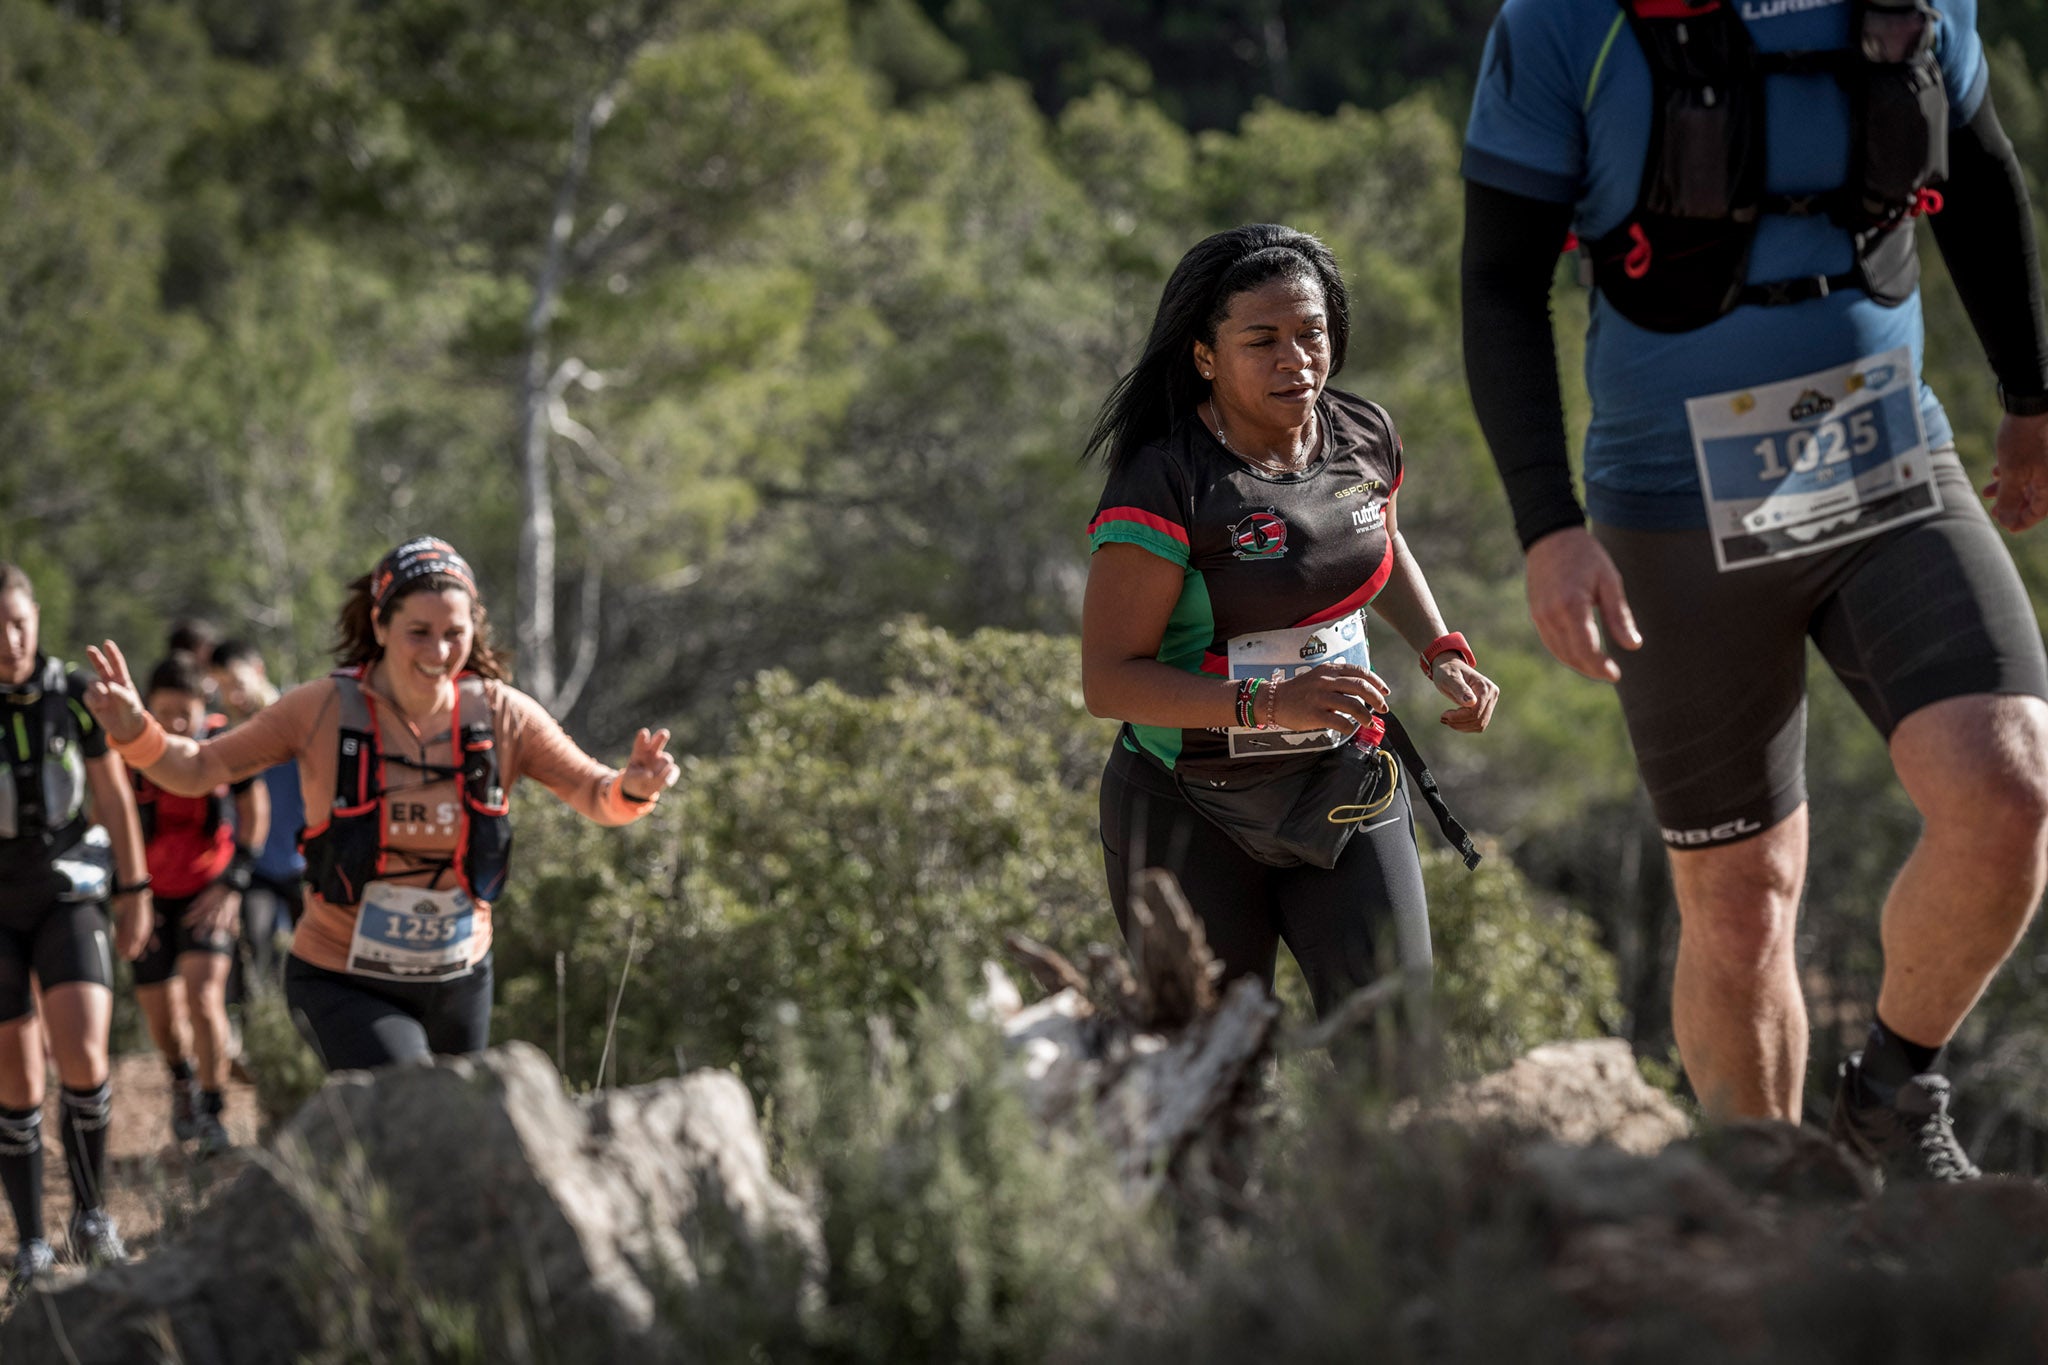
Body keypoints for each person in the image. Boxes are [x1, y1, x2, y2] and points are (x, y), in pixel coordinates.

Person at [1460, 0, 2048, 1180]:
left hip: (1882, 458)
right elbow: (1497, 284)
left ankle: (1890, 1086)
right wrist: (1546, 529)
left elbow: (1980, 179)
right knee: (1739, 903)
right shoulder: (1565, 24)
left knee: (2012, 789)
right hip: (1669, 501)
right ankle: (1766, 1207)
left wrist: (2030, 400)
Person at [1081, 224, 1500, 1025]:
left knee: (1396, 1049)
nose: (1295, 360)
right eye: (1261, 340)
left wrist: (1439, 647)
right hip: (1187, 807)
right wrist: (1271, 703)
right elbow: (1110, 682)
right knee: (1211, 1079)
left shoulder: (1365, 434)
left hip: (1342, 784)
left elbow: (1381, 535)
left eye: (1312, 334)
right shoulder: (1165, 482)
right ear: (1205, 355)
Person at [84, 537, 681, 1072]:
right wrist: (138, 732)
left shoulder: (501, 714)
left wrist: (635, 788)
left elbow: (594, 793)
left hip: (459, 978)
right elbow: (197, 769)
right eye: (419, 632)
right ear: (380, 624)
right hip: (343, 981)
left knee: (446, 1146)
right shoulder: (321, 709)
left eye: (455, 633)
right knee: (415, 1095)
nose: (440, 651)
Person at [0, 564, 149, 1293]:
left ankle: (92, 1217)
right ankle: (30, 1241)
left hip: (70, 886)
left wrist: (137, 889)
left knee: (85, 1050)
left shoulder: (70, 697)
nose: (9, 639)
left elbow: (116, 795)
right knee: (16, 1073)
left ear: (36, 620)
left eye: (19, 622)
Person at [130, 653, 266, 1157]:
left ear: (200, 705)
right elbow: (111, 817)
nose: (175, 723)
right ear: (148, 708)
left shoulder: (223, 744)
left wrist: (233, 883)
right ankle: (181, 1079)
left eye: (184, 711)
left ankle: (212, 1112)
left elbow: (256, 811)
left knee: (205, 999)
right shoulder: (129, 749)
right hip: (147, 896)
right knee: (162, 1019)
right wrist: (128, 893)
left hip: (207, 891)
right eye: (165, 711)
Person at [209, 639, 305, 979]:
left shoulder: (300, 724)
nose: (233, 696)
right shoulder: (229, 737)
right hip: (257, 870)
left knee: (316, 968)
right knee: (255, 965)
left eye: (236, 683)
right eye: (222, 688)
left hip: (305, 865)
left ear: (258, 671)